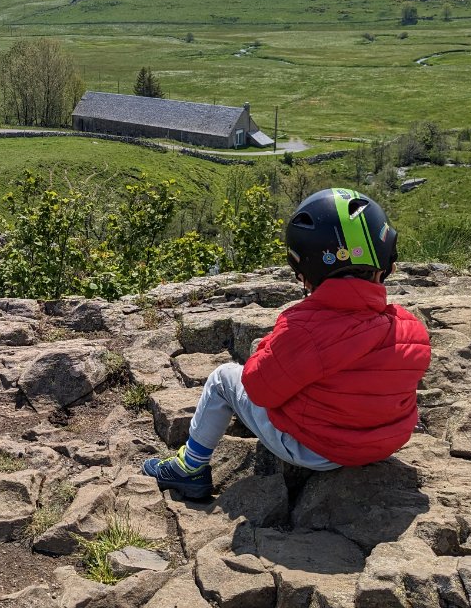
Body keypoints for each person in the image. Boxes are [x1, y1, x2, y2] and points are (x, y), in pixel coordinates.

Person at [143, 187, 431, 499]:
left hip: (317, 452)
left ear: (305, 273)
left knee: (222, 378)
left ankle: (190, 468)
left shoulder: (303, 329)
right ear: (385, 264)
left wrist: (268, 345)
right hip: (384, 444)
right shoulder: (410, 327)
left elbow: (259, 389)